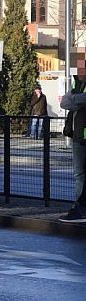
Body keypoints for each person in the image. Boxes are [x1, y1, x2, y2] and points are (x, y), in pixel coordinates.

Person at [59, 57, 86, 223]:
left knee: (81, 173)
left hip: (82, 135)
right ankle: (80, 205)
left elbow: (71, 101)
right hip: (78, 135)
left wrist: (75, 100)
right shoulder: (77, 84)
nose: (80, 73)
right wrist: (78, 100)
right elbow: (64, 103)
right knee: (79, 173)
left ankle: (81, 208)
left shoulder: (78, 87)